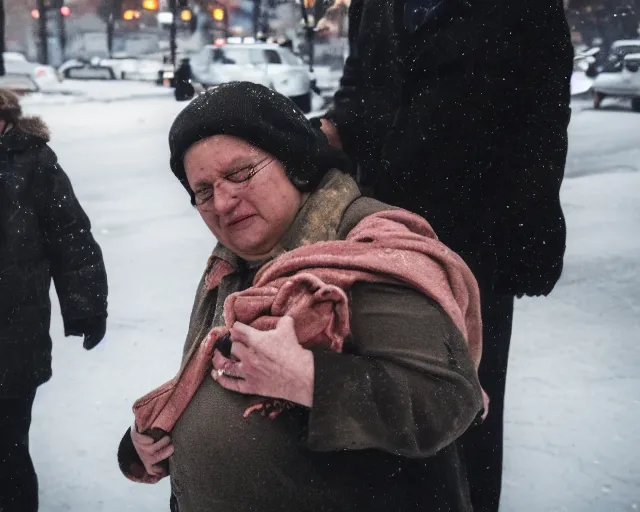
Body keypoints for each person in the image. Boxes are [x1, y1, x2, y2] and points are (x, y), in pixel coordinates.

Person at [117, 82, 485, 512]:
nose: (222, 200)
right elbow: (204, 379)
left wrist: (310, 380)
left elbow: (446, 402)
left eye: (240, 174)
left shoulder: (367, 249)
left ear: (294, 161)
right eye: (203, 191)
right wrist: (142, 445)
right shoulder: (232, 263)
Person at [316, 2, 574, 511]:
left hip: (473, 243)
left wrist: (531, 230)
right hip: (382, 232)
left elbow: (544, 115)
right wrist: (329, 134)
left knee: (465, 416)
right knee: (387, 397)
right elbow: (361, 84)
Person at [0, 89, 108, 511]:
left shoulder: (33, 162)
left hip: (13, 340)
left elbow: (71, 236)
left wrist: (87, 304)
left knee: (7, 451)